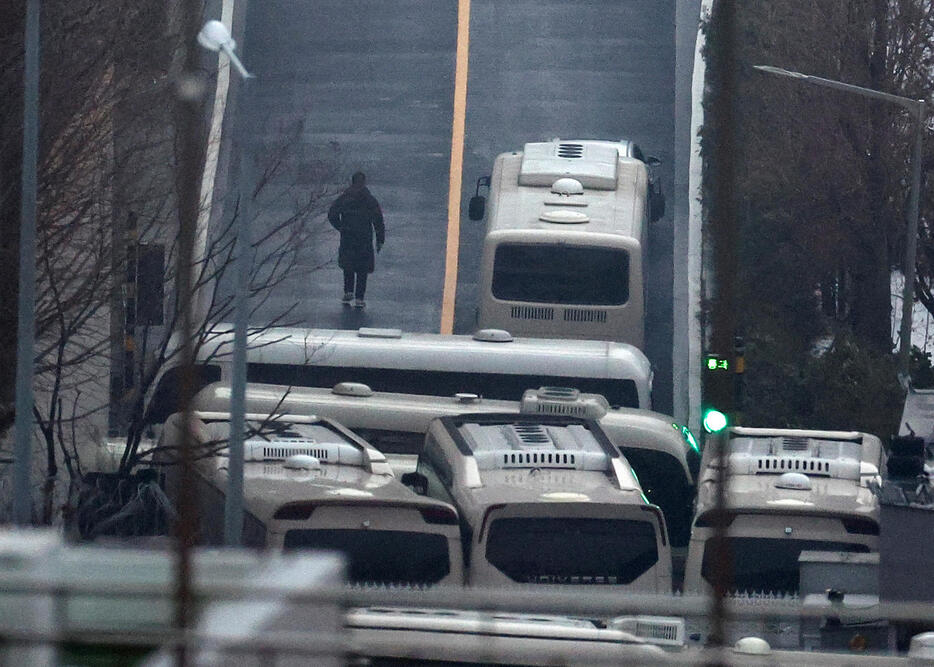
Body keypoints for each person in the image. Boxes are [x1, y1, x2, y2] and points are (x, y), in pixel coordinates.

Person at [327, 171, 385, 308]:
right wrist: (380, 239)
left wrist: (341, 227)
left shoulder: (344, 198)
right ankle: (360, 297)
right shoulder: (370, 199)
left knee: (348, 265)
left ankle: (348, 290)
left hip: (348, 236)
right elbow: (378, 220)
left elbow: (332, 214)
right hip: (364, 237)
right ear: (364, 182)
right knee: (362, 268)